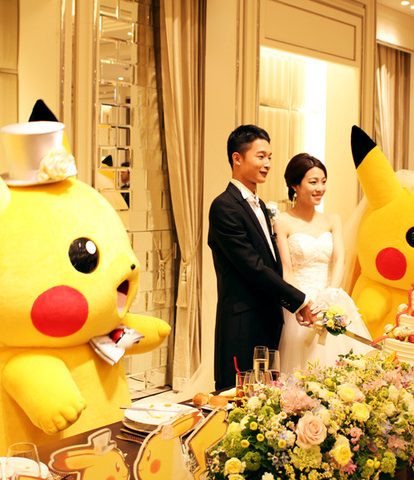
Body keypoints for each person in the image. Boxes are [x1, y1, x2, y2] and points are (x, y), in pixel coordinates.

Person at [208, 125, 318, 390]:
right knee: (237, 397)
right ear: (237, 158)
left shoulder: (260, 205)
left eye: (269, 157)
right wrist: (299, 300)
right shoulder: (225, 206)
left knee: (266, 399)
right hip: (242, 322)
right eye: (260, 156)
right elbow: (253, 267)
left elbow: (271, 263)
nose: (268, 164)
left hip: (268, 319)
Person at [273, 153, 373, 373]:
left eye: (323, 182)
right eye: (313, 182)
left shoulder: (332, 219)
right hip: (302, 303)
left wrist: (330, 295)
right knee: (303, 369)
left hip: (331, 298)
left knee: (343, 367)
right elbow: (286, 270)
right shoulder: (282, 221)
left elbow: (339, 260)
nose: (320, 188)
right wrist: (303, 303)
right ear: (295, 185)